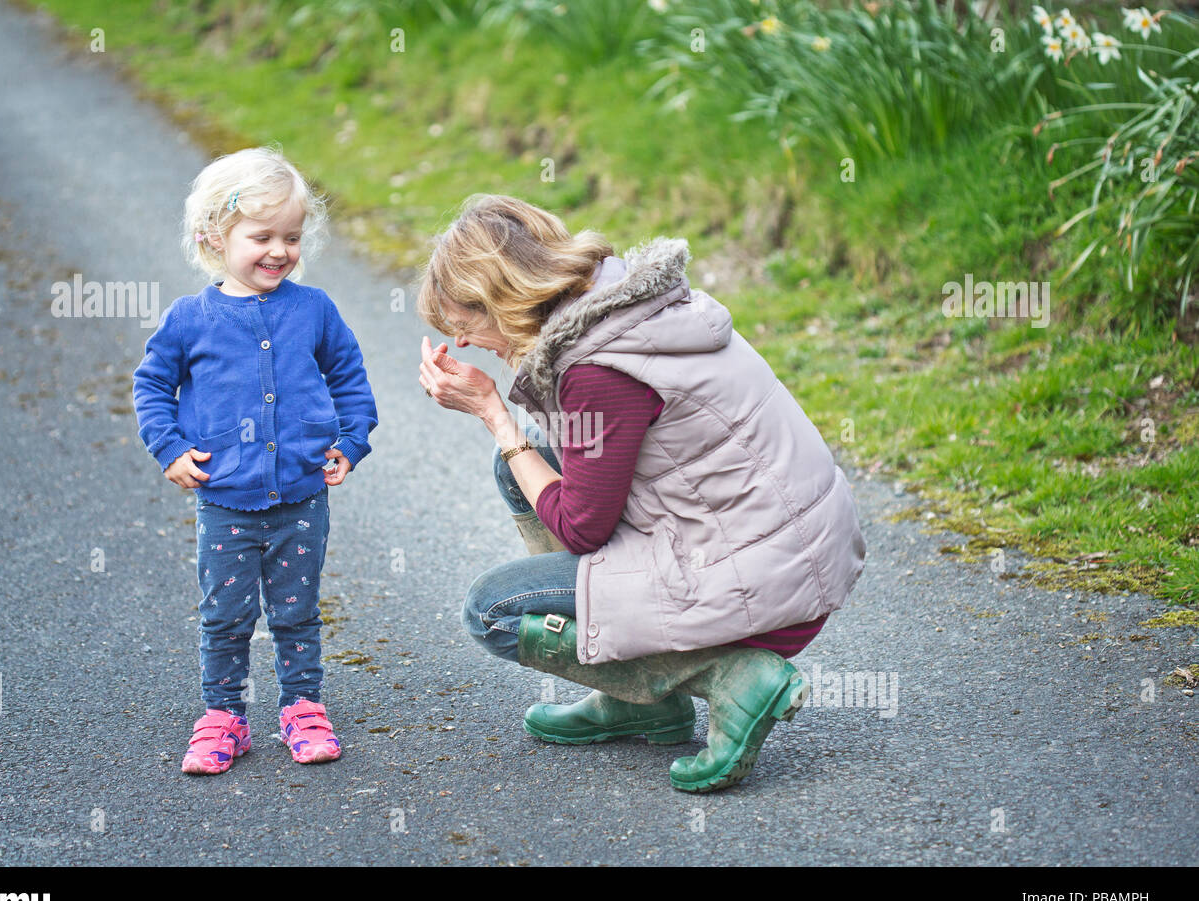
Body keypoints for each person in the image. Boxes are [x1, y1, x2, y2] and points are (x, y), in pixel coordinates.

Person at [417, 194, 864, 792]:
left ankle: (729, 675)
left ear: (501, 296)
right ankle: (639, 699)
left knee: (492, 610)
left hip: (764, 582)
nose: (464, 344)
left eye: (464, 325)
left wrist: (495, 416)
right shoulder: (617, 302)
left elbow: (582, 528)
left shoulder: (595, 369)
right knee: (519, 471)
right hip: (784, 542)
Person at [133, 147, 378, 774]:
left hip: (301, 497)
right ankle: (224, 717)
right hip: (226, 500)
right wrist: (168, 447)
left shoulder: (314, 309)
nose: (279, 250)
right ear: (214, 236)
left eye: (292, 237)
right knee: (226, 615)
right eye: (261, 236)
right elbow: (152, 386)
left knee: (296, 611)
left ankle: (302, 709)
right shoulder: (190, 319)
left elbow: (349, 376)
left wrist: (351, 441)